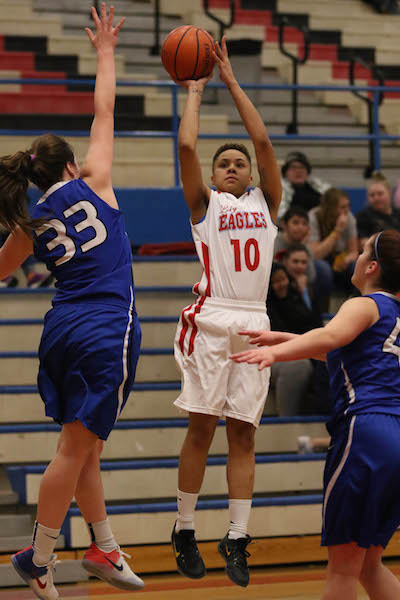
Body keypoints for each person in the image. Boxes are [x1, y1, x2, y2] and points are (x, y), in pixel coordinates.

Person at [4, 5, 144, 598]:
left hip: (60, 327)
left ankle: (104, 547)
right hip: (105, 326)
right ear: (69, 165)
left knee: (86, 444)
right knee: (73, 448)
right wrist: (107, 52)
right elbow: (104, 110)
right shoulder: (97, 179)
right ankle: (39, 556)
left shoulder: (28, 223)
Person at [231, 229, 400, 600]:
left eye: (361, 251)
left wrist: (274, 355)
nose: (353, 256)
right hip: (395, 437)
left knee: (341, 571)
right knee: (370, 566)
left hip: (366, 432)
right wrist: (287, 340)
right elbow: (346, 354)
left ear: (372, 266)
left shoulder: (363, 304)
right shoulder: (393, 314)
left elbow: (328, 338)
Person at [171, 36, 282, 588]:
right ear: (215, 179)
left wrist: (232, 83)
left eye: (240, 163)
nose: (234, 166)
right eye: (226, 164)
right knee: (203, 429)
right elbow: (187, 149)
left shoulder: (267, 203)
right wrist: (195, 91)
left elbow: (263, 139)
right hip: (213, 317)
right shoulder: (206, 206)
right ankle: (185, 527)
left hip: (254, 321)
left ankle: (236, 537)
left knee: (245, 436)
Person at [266, 262, 319, 416]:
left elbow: (316, 325)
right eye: (275, 282)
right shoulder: (266, 306)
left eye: (283, 279)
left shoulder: (297, 297)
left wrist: (303, 293)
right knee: (298, 366)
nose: (281, 285)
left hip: (307, 350)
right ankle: (286, 420)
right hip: (280, 354)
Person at [309, 188, 358, 308]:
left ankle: (355, 306)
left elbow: (354, 251)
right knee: (322, 268)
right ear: (330, 208)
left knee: (358, 265)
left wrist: (346, 260)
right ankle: (321, 311)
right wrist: (337, 231)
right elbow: (316, 254)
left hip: (340, 258)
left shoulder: (349, 217)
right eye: (342, 207)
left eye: (348, 206)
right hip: (320, 260)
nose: (346, 210)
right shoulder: (314, 216)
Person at [277, 151, 330, 221]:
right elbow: (280, 216)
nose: (298, 171)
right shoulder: (280, 189)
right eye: (293, 167)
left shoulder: (317, 186)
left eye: (302, 167)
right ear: (286, 173)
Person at [357, 172, 400, 250]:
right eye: (372, 195)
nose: (376, 198)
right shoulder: (363, 216)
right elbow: (363, 243)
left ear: (389, 192)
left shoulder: (398, 214)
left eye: (380, 194)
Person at [274, 206, 316, 283]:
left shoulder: (305, 246)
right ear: (284, 224)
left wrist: (302, 247)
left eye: (304, 224)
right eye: (295, 223)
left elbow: (311, 277)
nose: (300, 227)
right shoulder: (274, 241)